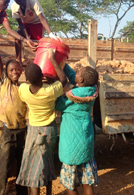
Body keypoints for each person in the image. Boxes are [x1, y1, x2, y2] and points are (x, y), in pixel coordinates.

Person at [16, 53, 67, 195]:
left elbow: (27, 84)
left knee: (33, 167)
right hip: (49, 130)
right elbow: (63, 79)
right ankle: (49, 190)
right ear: (42, 77)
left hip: (33, 130)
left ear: (26, 79)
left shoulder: (23, 90)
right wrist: (51, 59)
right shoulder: (50, 91)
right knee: (47, 160)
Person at [0, 19, 28, 195]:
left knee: (21, 163)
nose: (15, 73)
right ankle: (0, 192)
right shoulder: (5, 83)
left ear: (21, 71)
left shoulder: (25, 87)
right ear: (7, 72)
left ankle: (22, 192)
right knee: (4, 165)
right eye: (11, 70)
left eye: (18, 70)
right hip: (7, 132)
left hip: (22, 131)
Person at [55, 65, 99, 195]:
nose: (76, 73)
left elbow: (57, 104)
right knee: (87, 181)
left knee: (71, 183)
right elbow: (74, 77)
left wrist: (57, 86)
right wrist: (63, 64)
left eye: (78, 72)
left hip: (71, 147)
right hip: (85, 143)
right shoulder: (91, 90)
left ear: (81, 81)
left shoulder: (72, 99)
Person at [11, 0, 60, 65]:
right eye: (18, 1)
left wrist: (50, 34)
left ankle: (40, 63)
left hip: (37, 23)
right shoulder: (14, 7)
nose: (22, 2)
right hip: (25, 24)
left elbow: (42, 19)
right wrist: (27, 38)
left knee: (38, 43)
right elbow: (20, 23)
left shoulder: (33, 2)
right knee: (18, 35)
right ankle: (18, 60)